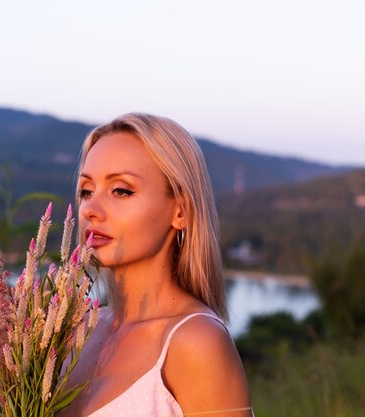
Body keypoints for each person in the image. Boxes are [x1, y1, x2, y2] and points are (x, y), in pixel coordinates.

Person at [59, 113, 253, 417]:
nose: (91, 210)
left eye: (121, 190)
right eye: (86, 191)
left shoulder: (196, 342)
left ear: (180, 211)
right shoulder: (74, 333)